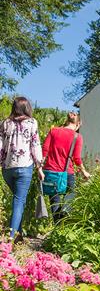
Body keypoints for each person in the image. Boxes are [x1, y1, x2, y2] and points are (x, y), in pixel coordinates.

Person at [0, 97, 44, 242]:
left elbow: (0, 146)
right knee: (19, 201)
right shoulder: (32, 122)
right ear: (26, 108)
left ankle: (18, 236)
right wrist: (39, 167)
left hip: (7, 168)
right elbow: (35, 145)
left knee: (18, 200)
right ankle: (11, 239)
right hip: (24, 167)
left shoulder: (5, 123)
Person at [42, 112, 90, 222]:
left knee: (55, 201)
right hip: (67, 172)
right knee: (71, 193)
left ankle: (57, 229)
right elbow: (77, 158)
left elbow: (45, 149)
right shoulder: (77, 137)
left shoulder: (53, 131)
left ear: (67, 121)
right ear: (78, 124)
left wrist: (39, 167)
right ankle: (65, 210)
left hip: (51, 171)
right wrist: (84, 172)